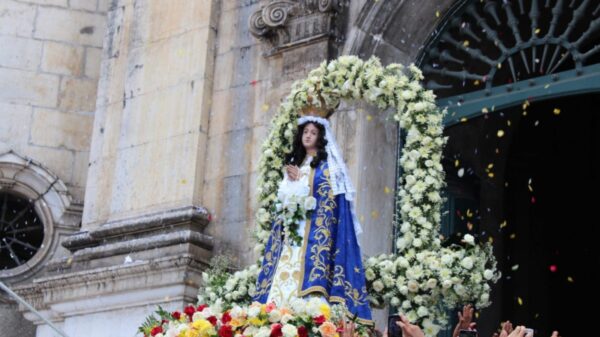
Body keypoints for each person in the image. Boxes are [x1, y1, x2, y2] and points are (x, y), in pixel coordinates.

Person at [253, 103, 373, 324]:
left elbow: (325, 202)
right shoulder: (297, 164)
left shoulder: (328, 167)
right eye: (305, 132)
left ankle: (308, 308)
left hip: (313, 235)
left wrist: (301, 181)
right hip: (293, 233)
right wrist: (291, 184)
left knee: (308, 277)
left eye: (313, 132)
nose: (308, 136)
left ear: (320, 137)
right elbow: (284, 204)